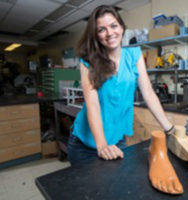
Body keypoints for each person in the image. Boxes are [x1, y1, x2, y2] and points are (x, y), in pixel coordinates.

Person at [67, 5, 175, 165]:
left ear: (122, 27)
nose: (110, 33)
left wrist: (170, 130)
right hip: (86, 144)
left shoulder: (134, 55)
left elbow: (149, 94)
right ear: (96, 35)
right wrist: (102, 145)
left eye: (113, 26)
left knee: (117, 187)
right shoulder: (88, 61)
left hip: (117, 140)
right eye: (101, 29)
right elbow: (93, 104)